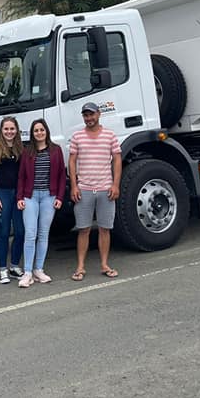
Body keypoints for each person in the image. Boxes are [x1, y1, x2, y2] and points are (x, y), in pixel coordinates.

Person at [69, 102, 122, 281]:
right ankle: (80, 266)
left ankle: (104, 264)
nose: (89, 118)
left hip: (105, 189)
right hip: (84, 190)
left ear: (99, 114)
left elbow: (117, 160)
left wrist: (115, 185)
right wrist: (74, 186)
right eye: (85, 115)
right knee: (83, 229)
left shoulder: (110, 135)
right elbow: (72, 161)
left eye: (91, 115)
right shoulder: (77, 136)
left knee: (104, 229)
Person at [16, 119, 66, 288]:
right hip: (30, 197)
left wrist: (59, 197)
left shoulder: (56, 150)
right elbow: (21, 176)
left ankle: (39, 269)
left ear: (46, 131)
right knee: (30, 234)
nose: (39, 133)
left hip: (49, 197)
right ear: (32, 133)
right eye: (36, 130)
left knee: (43, 234)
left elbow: (61, 176)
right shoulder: (27, 152)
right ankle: (28, 272)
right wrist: (20, 198)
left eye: (41, 130)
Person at [0, 116, 24, 283]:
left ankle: (14, 266)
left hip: (18, 195)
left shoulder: (21, 150)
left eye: (12, 129)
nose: (9, 132)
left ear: (17, 130)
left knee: (21, 231)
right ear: (1, 131)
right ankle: (3, 269)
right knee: (3, 231)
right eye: (6, 129)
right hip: (2, 193)